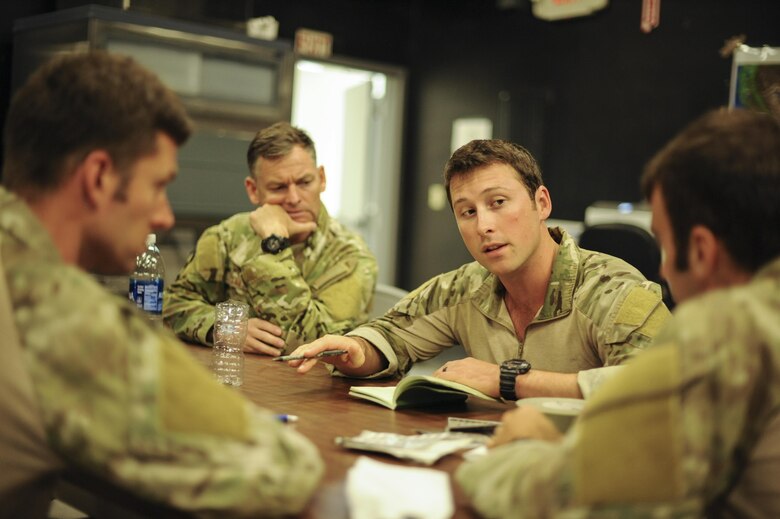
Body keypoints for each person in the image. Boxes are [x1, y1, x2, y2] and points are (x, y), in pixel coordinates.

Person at [0, 52, 322, 518]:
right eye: (157, 185)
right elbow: (280, 472)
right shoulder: (58, 312)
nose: (164, 215)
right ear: (98, 178)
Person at [456, 108, 780, 518]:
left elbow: (583, 501)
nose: (662, 270)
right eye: (467, 211)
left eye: (663, 244)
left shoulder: (729, 329)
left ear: (700, 250)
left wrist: (524, 448)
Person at [285, 139, 670, 400]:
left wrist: (508, 381)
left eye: (498, 202)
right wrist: (355, 350)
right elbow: (390, 336)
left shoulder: (611, 289)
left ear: (541, 202)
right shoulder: (466, 286)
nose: (483, 225)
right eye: (467, 211)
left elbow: (661, 383)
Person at [163, 122, 378, 356]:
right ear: (253, 190)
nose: (294, 198)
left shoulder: (351, 254)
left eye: (305, 182)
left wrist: (274, 244)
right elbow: (173, 305)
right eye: (278, 187)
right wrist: (224, 328)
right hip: (234, 377)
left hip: (315, 387)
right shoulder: (227, 237)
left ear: (322, 178)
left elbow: (311, 342)